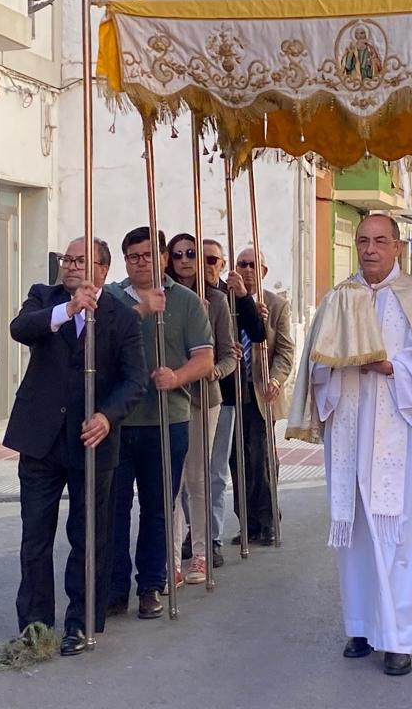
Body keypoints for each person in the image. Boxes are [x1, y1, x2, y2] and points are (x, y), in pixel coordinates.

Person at [287, 214, 412, 676]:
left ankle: (400, 638)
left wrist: (388, 367)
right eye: (363, 241)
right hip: (348, 426)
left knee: (399, 531)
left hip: (399, 433)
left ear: (397, 247)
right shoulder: (339, 297)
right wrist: (334, 363)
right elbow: (317, 364)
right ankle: (361, 625)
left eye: (379, 241)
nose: (369, 249)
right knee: (357, 532)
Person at [4, 236, 146, 656]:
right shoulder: (43, 298)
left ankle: (81, 621)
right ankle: (34, 624)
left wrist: (107, 416)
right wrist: (68, 310)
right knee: (35, 536)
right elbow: (20, 329)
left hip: (91, 439)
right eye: (67, 259)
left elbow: (134, 379)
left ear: (102, 270)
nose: (71, 266)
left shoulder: (121, 317)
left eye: (81, 260)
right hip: (40, 439)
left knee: (88, 536)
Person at [105, 228, 214, 620]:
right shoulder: (112, 300)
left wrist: (178, 377)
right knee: (113, 509)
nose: (141, 262)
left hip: (168, 420)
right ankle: (114, 587)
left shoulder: (185, 302)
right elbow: (98, 344)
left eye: (149, 255)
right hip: (118, 421)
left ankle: (151, 584)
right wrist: (140, 311)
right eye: (133, 256)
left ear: (164, 258)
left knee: (158, 508)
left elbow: (203, 357)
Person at [165, 233, 236, 584]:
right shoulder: (162, 298)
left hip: (202, 399)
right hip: (165, 399)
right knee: (170, 482)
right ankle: (172, 557)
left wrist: (214, 373)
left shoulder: (217, 301)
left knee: (197, 477)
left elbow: (229, 352)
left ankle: (201, 554)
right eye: (177, 254)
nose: (185, 260)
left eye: (191, 253)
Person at [201, 237, 267, 562]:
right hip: (183, 395)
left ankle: (211, 536)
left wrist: (243, 298)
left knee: (217, 470)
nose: (206, 265)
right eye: (199, 259)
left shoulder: (230, 297)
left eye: (213, 260)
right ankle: (191, 532)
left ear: (222, 264)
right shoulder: (182, 296)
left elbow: (258, 334)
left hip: (226, 394)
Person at [229, 247, 295, 546]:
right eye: (241, 264)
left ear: (264, 271)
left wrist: (276, 378)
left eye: (252, 265)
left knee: (262, 459)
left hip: (260, 392)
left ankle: (269, 521)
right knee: (235, 461)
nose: (246, 269)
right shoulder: (225, 301)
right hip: (231, 392)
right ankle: (248, 522)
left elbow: (285, 350)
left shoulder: (276, 304)